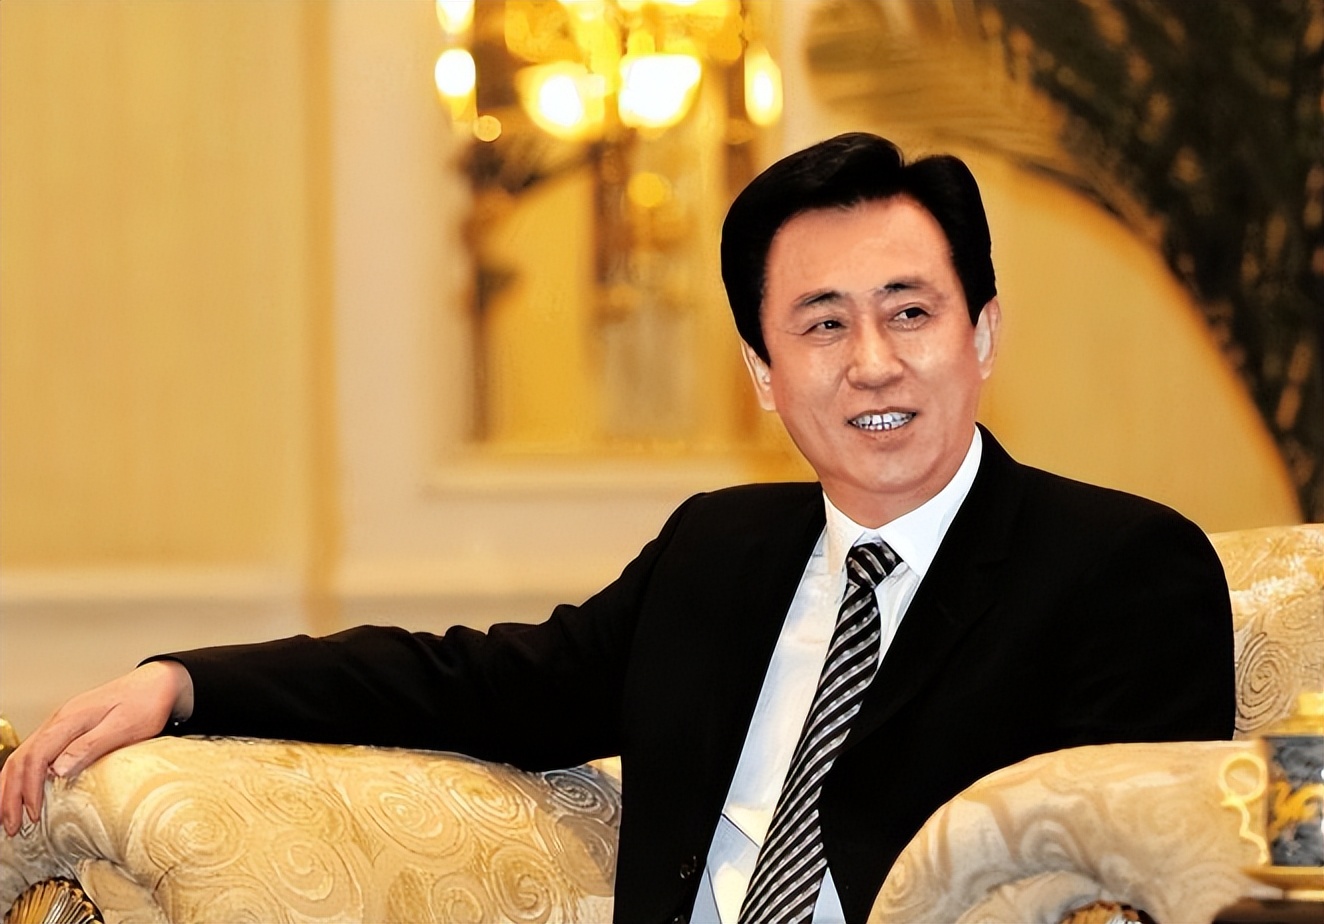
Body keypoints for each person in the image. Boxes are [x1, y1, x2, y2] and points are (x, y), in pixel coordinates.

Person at [0, 133, 1234, 924]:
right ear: (763, 374)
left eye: (909, 312)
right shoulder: (720, 554)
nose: (872, 362)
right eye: (821, 324)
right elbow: (478, 684)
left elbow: (1130, 866)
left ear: (983, 334)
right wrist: (186, 684)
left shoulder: (1122, 570)